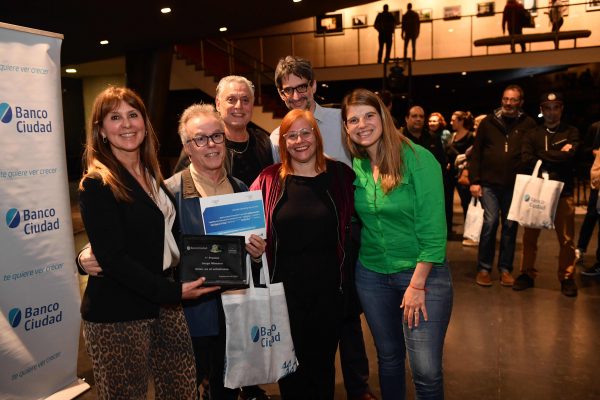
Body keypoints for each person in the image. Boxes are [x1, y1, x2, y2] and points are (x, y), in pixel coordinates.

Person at [78, 102, 268, 400]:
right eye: (200, 139)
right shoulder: (170, 191)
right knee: (186, 386)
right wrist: (84, 256)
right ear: (187, 147)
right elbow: (130, 238)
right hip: (192, 313)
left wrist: (256, 254)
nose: (211, 145)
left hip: (236, 310)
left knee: (228, 385)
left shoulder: (242, 189)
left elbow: (255, 252)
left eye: (216, 136)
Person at [270, 55, 375, 400]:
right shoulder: (276, 136)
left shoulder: (340, 120)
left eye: (303, 87)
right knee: (299, 350)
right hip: (299, 246)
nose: (296, 95)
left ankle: (358, 388)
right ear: (281, 94)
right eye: (289, 90)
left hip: (344, 230)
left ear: (314, 85)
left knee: (347, 323)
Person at [341, 88, 452, 400]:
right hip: (372, 275)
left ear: (383, 117)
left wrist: (417, 284)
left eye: (369, 115)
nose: (362, 124)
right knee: (388, 359)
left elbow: (433, 229)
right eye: (353, 120)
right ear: (346, 128)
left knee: (426, 371)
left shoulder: (418, 159)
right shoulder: (358, 163)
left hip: (421, 276)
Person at [251, 109, 355, 399]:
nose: (299, 140)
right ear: (283, 142)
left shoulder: (341, 176)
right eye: (291, 135)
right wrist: (253, 247)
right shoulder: (268, 180)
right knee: (290, 372)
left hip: (329, 292)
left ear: (316, 136)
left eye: (305, 132)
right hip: (284, 295)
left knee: (322, 369)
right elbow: (248, 229)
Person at [513, 92, 580, 296]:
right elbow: (526, 159)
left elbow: (571, 157)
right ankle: (526, 273)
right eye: (547, 108)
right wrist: (558, 154)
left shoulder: (572, 132)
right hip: (537, 192)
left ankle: (566, 276)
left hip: (563, 193)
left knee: (567, 239)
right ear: (542, 110)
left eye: (556, 107)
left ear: (561, 109)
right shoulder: (532, 134)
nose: (551, 112)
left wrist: (542, 155)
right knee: (529, 237)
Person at [469, 84, 536, 287]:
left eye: (513, 99)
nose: (508, 103)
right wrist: (474, 180)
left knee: (509, 226)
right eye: (505, 99)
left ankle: (506, 269)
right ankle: (484, 268)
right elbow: (477, 152)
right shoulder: (488, 123)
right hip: (489, 184)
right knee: (490, 224)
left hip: (516, 186)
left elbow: (532, 152)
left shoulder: (529, 123)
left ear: (520, 102)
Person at [173, 75, 274, 188]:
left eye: (245, 100)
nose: (239, 106)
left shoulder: (263, 141)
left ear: (252, 105)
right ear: (218, 104)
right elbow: (181, 191)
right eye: (231, 100)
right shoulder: (199, 144)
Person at [576, 120, 600, 275]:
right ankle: (580, 248)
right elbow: (585, 150)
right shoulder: (596, 127)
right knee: (592, 214)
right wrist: (595, 152)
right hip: (597, 182)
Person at [429, 112, 455, 237]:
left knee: (445, 200)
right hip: (432, 171)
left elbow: (449, 149)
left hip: (445, 170)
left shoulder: (444, 134)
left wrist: (447, 162)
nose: (432, 123)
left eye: (435, 121)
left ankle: (446, 228)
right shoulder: (427, 135)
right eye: (430, 121)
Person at [447, 111, 476, 221]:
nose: (451, 122)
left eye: (454, 120)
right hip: (451, 172)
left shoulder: (470, 136)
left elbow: (472, 155)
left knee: (466, 202)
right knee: (447, 201)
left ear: (461, 121)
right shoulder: (452, 136)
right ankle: (448, 229)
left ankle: (469, 230)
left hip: (463, 173)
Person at [401, 106, 446, 170]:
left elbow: (441, 163)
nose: (418, 119)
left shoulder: (433, 138)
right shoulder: (399, 137)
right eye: (414, 116)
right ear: (406, 119)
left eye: (421, 116)